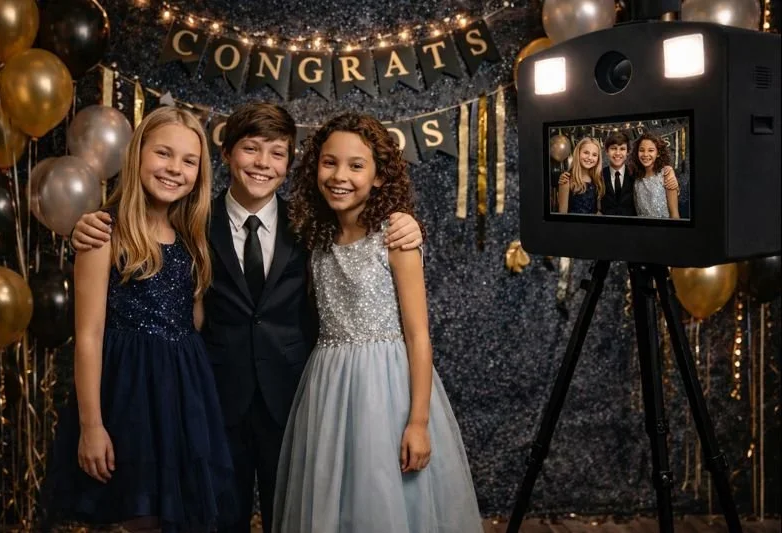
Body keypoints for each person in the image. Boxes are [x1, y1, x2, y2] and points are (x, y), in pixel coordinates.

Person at [70, 102, 424, 533]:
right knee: (217, 519)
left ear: (291, 163)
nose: (262, 164)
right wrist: (83, 226)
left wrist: (406, 223)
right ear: (225, 155)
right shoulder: (193, 219)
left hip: (295, 396)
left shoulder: (312, 222)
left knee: (296, 517)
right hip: (215, 396)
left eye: (277, 154)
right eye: (250, 150)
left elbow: (363, 231)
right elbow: (141, 233)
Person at [273, 113, 482, 533]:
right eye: (329, 162)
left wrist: (418, 422)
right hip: (328, 386)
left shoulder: (395, 236)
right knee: (334, 496)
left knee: (385, 497)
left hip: (388, 388)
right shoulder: (317, 238)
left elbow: (418, 334)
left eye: (356, 165)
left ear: (380, 177)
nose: (339, 176)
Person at [43, 107, 236, 532]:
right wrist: (92, 425)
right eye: (163, 154)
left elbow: (195, 321)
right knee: (140, 514)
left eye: (189, 161)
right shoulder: (103, 235)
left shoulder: (192, 239)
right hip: (129, 393)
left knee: (180, 517)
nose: (175, 169)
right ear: (137, 155)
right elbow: (89, 337)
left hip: (185, 392)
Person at [561, 132, 678, 216]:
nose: (618, 153)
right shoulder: (598, 176)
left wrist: (670, 172)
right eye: (613, 148)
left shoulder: (636, 174)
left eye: (622, 149)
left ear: (628, 152)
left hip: (632, 231)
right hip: (605, 231)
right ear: (606, 151)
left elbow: (654, 180)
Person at [628, 132, 680, 219]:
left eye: (651, 150)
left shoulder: (666, 174)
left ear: (658, 153)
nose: (645, 154)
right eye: (641, 150)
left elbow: (674, 214)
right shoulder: (636, 177)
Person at [557, 137, 604, 214]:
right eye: (586, 153)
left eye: (594, 155)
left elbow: (595, 210)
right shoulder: (566, 179)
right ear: (578, 153)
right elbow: (562, 214)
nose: (590, 158)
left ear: (598, 158)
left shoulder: (596, 179)